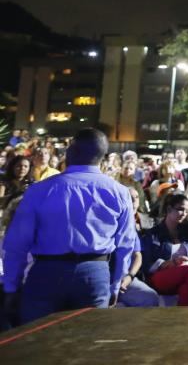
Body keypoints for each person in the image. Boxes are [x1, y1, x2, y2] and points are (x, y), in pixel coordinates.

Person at [2, 129, 137, 324]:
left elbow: (16, 244)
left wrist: (11, 288)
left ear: (70, 151)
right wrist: (115, 285)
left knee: (36, 341)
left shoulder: (40, 190)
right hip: (93, 273)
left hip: (47, 273)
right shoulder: (119, 192)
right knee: (85, 343)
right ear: (102, 156)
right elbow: (126, 245)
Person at [141, 193, 188, 306]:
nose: (184, 214)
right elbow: (146, 264)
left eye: (187, 210)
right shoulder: (153, 234)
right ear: (169, 209)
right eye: (180, 209)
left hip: (184, 275)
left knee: (187, 289)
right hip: (159, 278)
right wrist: (169, 263)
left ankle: (183, 321)